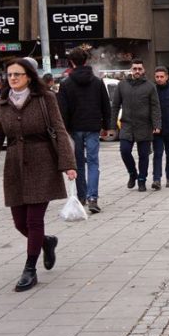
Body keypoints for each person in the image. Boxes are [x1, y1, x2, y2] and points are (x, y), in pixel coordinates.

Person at [0, 58, 77, 292]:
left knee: (34, 220)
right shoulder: (3, 104)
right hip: (14, 167)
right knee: (20, 223)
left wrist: (68, 164)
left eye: (17, 74)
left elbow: (59, 130)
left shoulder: (45, 98)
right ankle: (46, 242)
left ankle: (30, 269)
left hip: (42, 164)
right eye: (9, 75)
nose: (13, 78)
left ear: (28, 76)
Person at [57, 47, 112, 213]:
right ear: (86, 61)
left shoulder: (65, 84)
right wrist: (106, 126)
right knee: (93, 162)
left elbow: (62, 110)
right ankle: (93, 197)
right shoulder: (97, 82)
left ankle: (82, 196)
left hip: (75, 129)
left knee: (78, 163)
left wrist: (65, 130)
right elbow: (106, 106)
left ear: (71, 62)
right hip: (93, 127)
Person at [111, 59, 162, 192]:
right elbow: (115, 105)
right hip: (127, 125)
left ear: (143, 70)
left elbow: (155, 107)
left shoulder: (150, 86)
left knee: (143, 155)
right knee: (124, 151)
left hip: (144, 125)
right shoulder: (122, 85)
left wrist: (157, 124)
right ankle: (132, 173)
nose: (137, 71)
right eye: (135, 69)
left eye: (139, 69)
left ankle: (142, 180)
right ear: (131, 70)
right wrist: (112, 125)